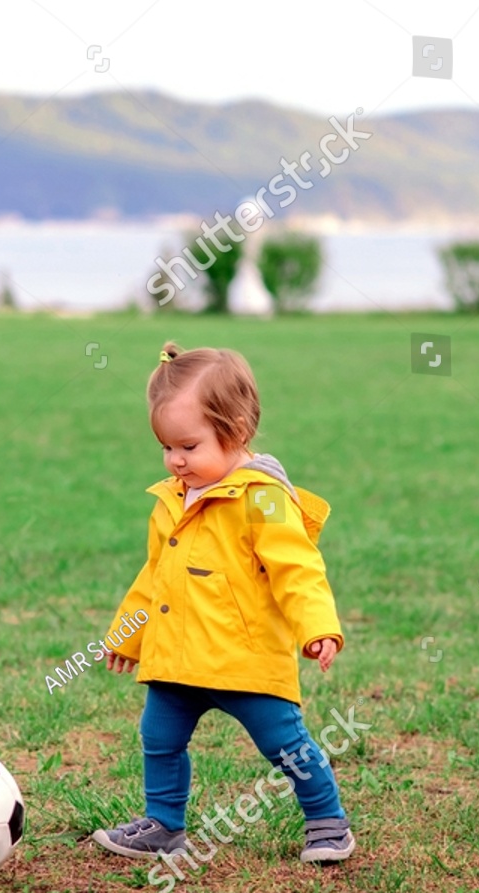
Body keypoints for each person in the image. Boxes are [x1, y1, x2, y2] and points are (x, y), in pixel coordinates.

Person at [92, 341, 355, 866]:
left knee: (285, 744)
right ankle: (165, 826)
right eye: (166, 447)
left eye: (188, 446)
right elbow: (156, 576)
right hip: (177, 656)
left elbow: (297, 569)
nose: (175, 460)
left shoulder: (261, 497)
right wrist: (129, 631)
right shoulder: (173, 497)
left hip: (244, 657)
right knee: (159, 736)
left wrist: (318, 627)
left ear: (235, 431)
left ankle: (328, 822)